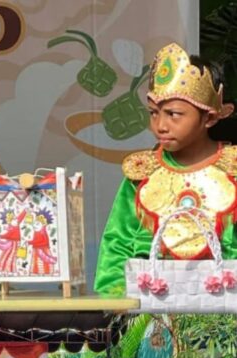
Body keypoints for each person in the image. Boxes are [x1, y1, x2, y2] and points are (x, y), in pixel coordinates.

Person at [95, 43, 237, 295]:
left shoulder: (233, 170)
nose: (160, 125)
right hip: (151, 311)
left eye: (174, 114)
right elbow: (118, 243)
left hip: (226, 314)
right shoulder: (143, 174)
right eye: (153, 113)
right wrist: (118, 302)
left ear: (210, 117)